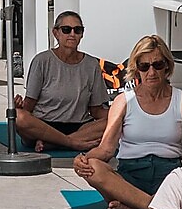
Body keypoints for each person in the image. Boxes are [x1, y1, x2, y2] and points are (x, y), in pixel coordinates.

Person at [74, 34, 182, 209]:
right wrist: (83, 160)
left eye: (158, 65)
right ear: (136, 69)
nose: (151, 72)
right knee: (93, 168)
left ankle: (135, 206)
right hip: (130, 175)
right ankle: (154, 206)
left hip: (169, 175)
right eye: (144, 66)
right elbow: (106, 149)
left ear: (167, 67)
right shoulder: (124, 101)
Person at [14, 13, 110, 153]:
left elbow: (96, 110)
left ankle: (56, 143)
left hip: (79, 126)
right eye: (66, 29)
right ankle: (71, 142)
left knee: (116, 121)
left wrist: (120, 113)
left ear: (82, 34)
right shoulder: (42, 61)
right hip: (44, 125)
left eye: (77, 30)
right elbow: (29, 104)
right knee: (18, 117)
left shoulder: (91, 64)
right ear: (56, 33)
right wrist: (19, 107)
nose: (72, 34)